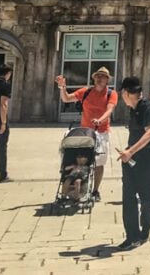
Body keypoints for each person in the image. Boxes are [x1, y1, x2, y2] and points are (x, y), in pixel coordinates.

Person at [55, 67, 118, 201]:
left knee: (100, 162)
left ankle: (95, 190)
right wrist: (62, 88)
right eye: (97, 76)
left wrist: (100, 120)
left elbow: (109, 110)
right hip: (85, 132)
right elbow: (66, 99)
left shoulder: (111, 94)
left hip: (102, 132)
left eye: (103, 76)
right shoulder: (86, 91)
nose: (100, 78)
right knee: (80, 158)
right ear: (94, 78)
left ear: (107, 80)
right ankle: (78, 183)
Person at [116, 76, 150, 251]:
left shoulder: (148, 107)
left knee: (146, 200)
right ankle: (131, 236)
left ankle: (144, 232)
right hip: (130, 162)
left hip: (147, 162)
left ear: (126, 93)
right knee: (128, 198)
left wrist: (130, 151)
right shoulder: (133, 109)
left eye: (122, 94)